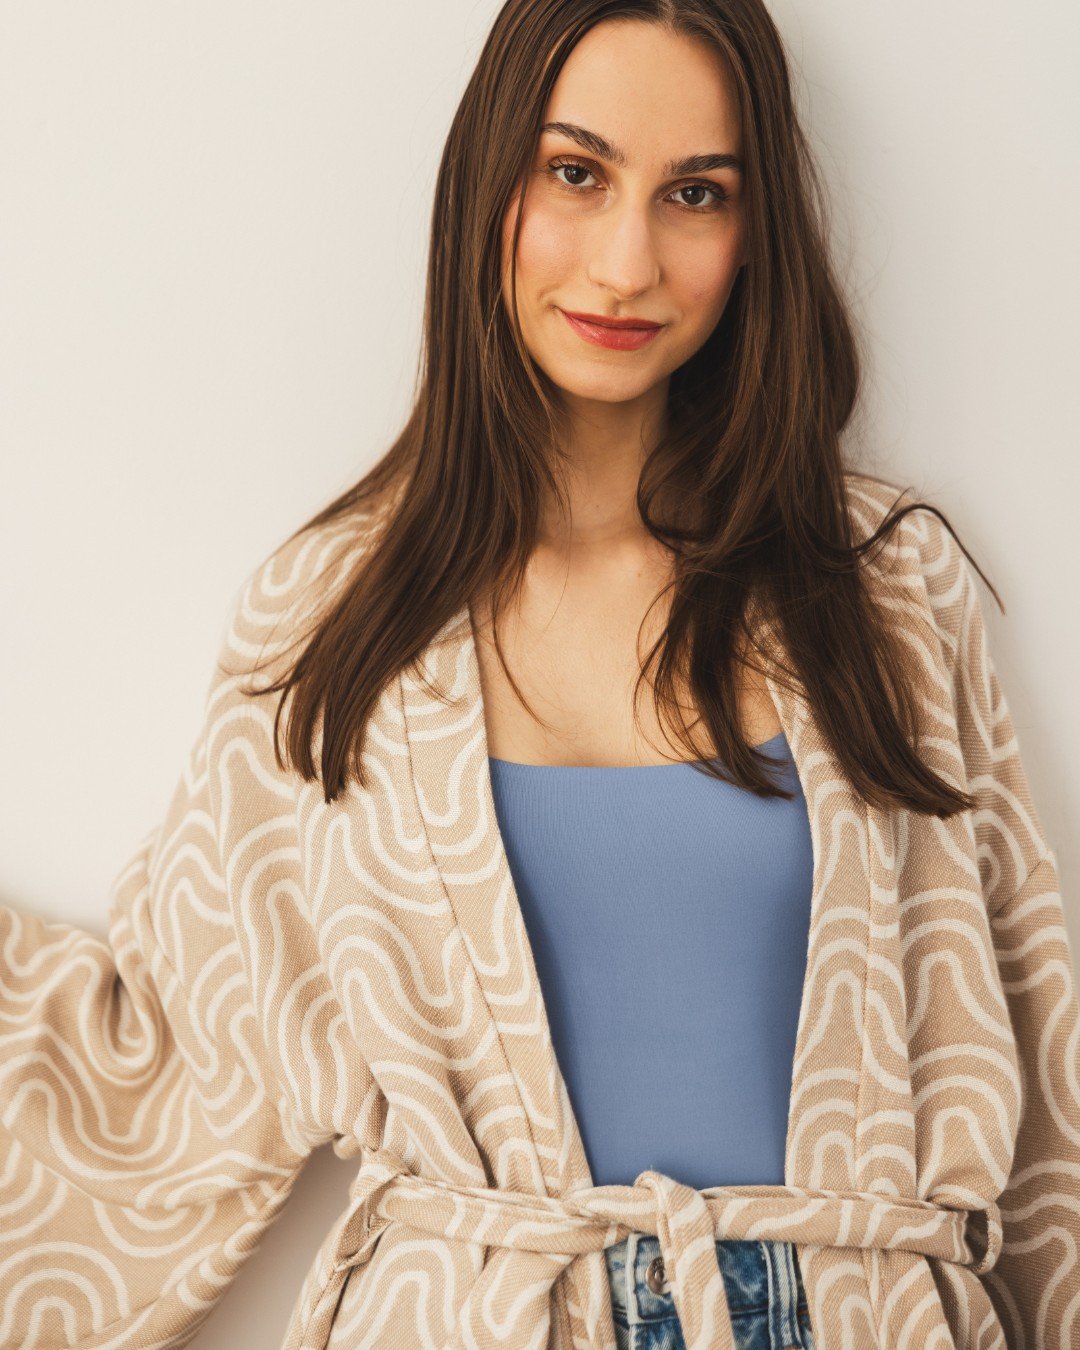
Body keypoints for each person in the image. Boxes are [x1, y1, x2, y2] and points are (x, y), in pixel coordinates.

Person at [2, 1, 1077, 1347]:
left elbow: (1043, 1100)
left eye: (696, 194)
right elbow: (147, 1079)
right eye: (576, 173)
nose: (627, 260)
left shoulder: (885, 594)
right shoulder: (333, 627)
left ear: (757, 235)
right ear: (488, 185)